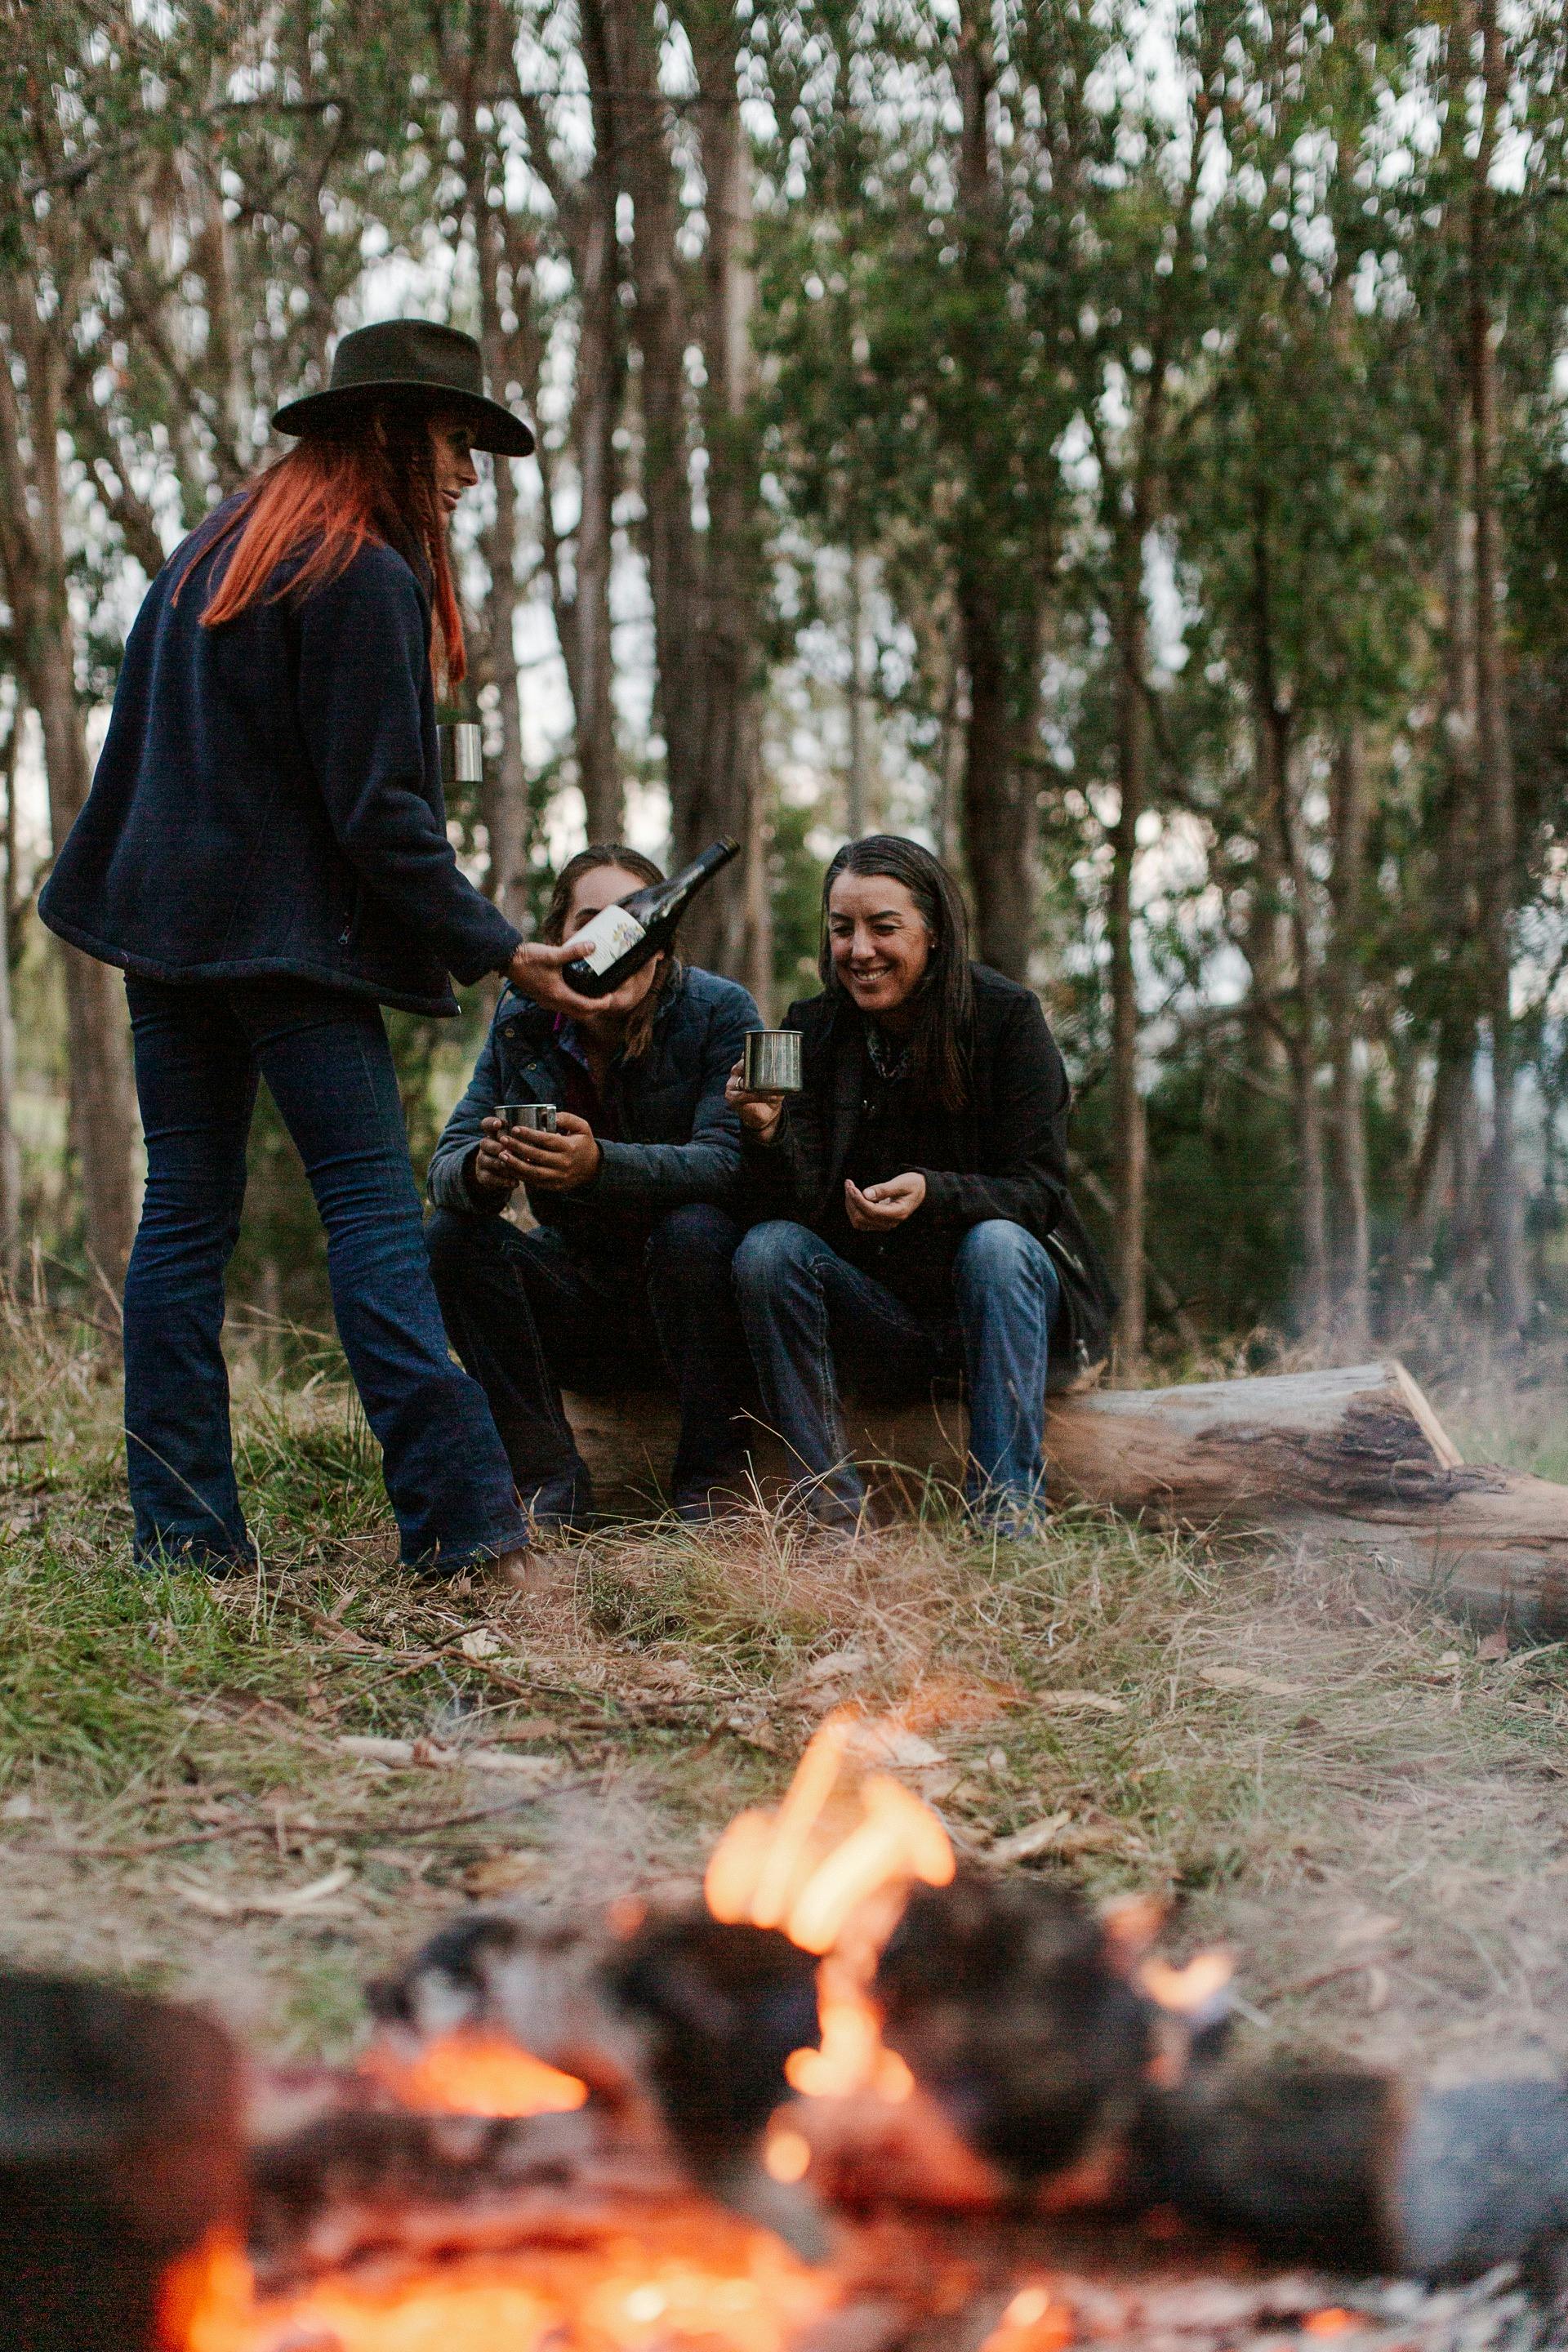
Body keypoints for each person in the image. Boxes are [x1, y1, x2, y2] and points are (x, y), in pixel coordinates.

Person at [38, 318, 627, 1583]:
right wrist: (499, 948)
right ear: (390, 433)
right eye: (457, 443)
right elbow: (379, 814)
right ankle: (466, 1524)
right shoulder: (358, 573)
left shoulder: (210, 559)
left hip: (169, 941)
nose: (470, 475)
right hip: (289, 950)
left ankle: (183, 1539)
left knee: (183, 1219)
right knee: (369, 1208)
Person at [728, 835, 1114, 1532]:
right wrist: (766, 1132)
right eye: (842, 929)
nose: (859, 950)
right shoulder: (811, 1031)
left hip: (999, 1314)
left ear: (933, 932)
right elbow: (791, 1206)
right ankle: (827, 1515)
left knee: (997, 1244)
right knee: (767, 1249)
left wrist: (935, 1195)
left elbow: (1039, 1193)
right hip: (884, 1320)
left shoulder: (1006, 1020)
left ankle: (1004, 1517)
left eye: (884, 927)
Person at [425, 846, 759, 1529]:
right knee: (454, 1237)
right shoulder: (525, 1018)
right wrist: (481, 1171)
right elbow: (447, 1161)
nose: (614, 939)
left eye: (631, 920)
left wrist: (599, 1164)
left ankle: (713, 1485)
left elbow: (729, 1163)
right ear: (557, 942)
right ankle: (550, 1482)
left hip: (698, 1308)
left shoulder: (719, 1009)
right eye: (590, 920)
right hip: (583, 1298)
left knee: (693, 1229)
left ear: (661, 944)